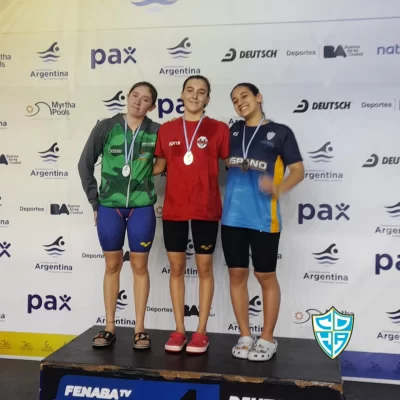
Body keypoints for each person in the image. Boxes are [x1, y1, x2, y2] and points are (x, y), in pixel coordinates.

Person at [221, 83, 304, 362]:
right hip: (232, 217)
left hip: (264, 218)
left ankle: (267, 338)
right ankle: (245, 335)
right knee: (236, 275)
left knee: (265, 276)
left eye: (244, 96)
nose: (239, 102)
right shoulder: (231, 132)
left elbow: (298, 170)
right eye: (234, 100)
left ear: (259, 97)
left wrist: (279, 188)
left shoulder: (280, 132)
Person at [78, 82, 160, 350]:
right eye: (135, 95)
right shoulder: (106, 127)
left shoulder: (156, 131)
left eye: (145, 99)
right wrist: (95, 201)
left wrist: (149, 173)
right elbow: (84, 165)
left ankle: (140, 329)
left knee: (139, 267)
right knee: (112, 266)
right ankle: (110, 326)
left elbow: (166, 162)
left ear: (152, 106)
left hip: (141, 208)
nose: (138, 101)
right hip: (109, 208)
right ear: (128, 97)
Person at [153, 75, 230, 354]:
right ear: (182, 94)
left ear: (208, 98)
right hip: (174, 209)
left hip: (206, 209)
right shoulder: (166, 129)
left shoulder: (219, 129)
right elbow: (158, 167)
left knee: (205, 269)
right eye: (190, 90)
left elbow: (232, 164)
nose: (195, 96)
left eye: (201, 92)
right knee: (176, 269)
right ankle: (179, 330)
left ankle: (201, 332)